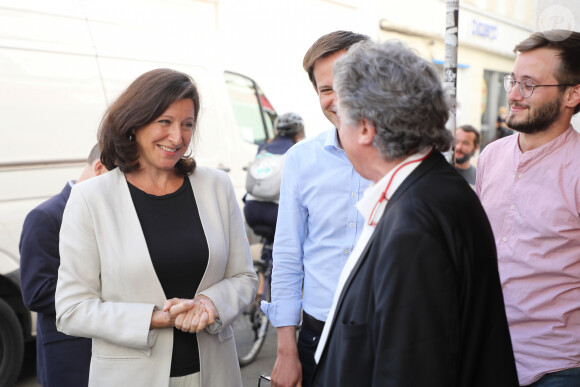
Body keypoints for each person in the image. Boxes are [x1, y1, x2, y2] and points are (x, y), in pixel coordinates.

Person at [313, 39, 519, 386]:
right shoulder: (430, 190)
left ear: (365, 128)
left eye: (341, 113)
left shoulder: (414, 222)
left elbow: (410, 368)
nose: (337, 125)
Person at [55, 68, 258, 387]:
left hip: (215, 375)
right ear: (134, 123)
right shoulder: (90, 198)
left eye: (187, 124)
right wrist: (157, 318)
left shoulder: (217, 186)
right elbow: (72, 309)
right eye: (164, 122)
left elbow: (244, 278)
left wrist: (210, 304)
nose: (177, 137)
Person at [260, 31, 371, 387]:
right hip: (316, 337)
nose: (337, 98)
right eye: (326, 89)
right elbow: (289, 255)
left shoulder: (407, 157)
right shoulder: (301, 159)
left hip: (388, 338)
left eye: (347, 82)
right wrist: (286, 351)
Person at [476, 30, 580, 386]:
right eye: (513, 80)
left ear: (573, 94)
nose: (514, 95)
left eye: (530, 85)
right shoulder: (491, 155)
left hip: (558, 367)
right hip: (485, 353)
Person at [19, 144, 106, 387]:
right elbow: (36, 293)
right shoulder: (45, 216)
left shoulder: (108, 213)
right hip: (70, 355)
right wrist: (113, 287)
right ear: (100, 168)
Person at [244, 112, 305, 237]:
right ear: (299, 132)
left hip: (250, 210)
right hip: (276, 214)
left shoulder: (263, 148)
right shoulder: (297, 150)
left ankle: (265, 253)